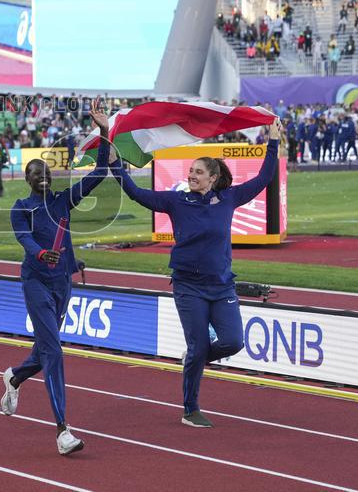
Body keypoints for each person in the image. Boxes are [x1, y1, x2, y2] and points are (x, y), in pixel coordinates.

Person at [109, 119, 281, 427]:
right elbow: (136, 192)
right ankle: (190, 408)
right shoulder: (176, 200)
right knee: (199, 344)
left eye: (198, 172)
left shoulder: (229, 197)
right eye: (190, 171)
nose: (191, 176)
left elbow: (265, 176)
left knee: (232, 342)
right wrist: (115, 166)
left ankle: (193, 360)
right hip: (188, 286)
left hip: (222, 286)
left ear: (213, 178)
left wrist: (273, 141)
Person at [1, 102, 110, 455]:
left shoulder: (64, 200)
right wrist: (39, 254)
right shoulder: (21, 208)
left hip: (63, 282)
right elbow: (25, 238)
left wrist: (104, 133)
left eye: (47, 171)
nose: (43, 176)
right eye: (36, 173)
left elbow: (100, 173)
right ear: (27, 178)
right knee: (54, 352)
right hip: (36, 283)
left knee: (46, 349)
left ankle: (15, 377)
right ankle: (63, 430)